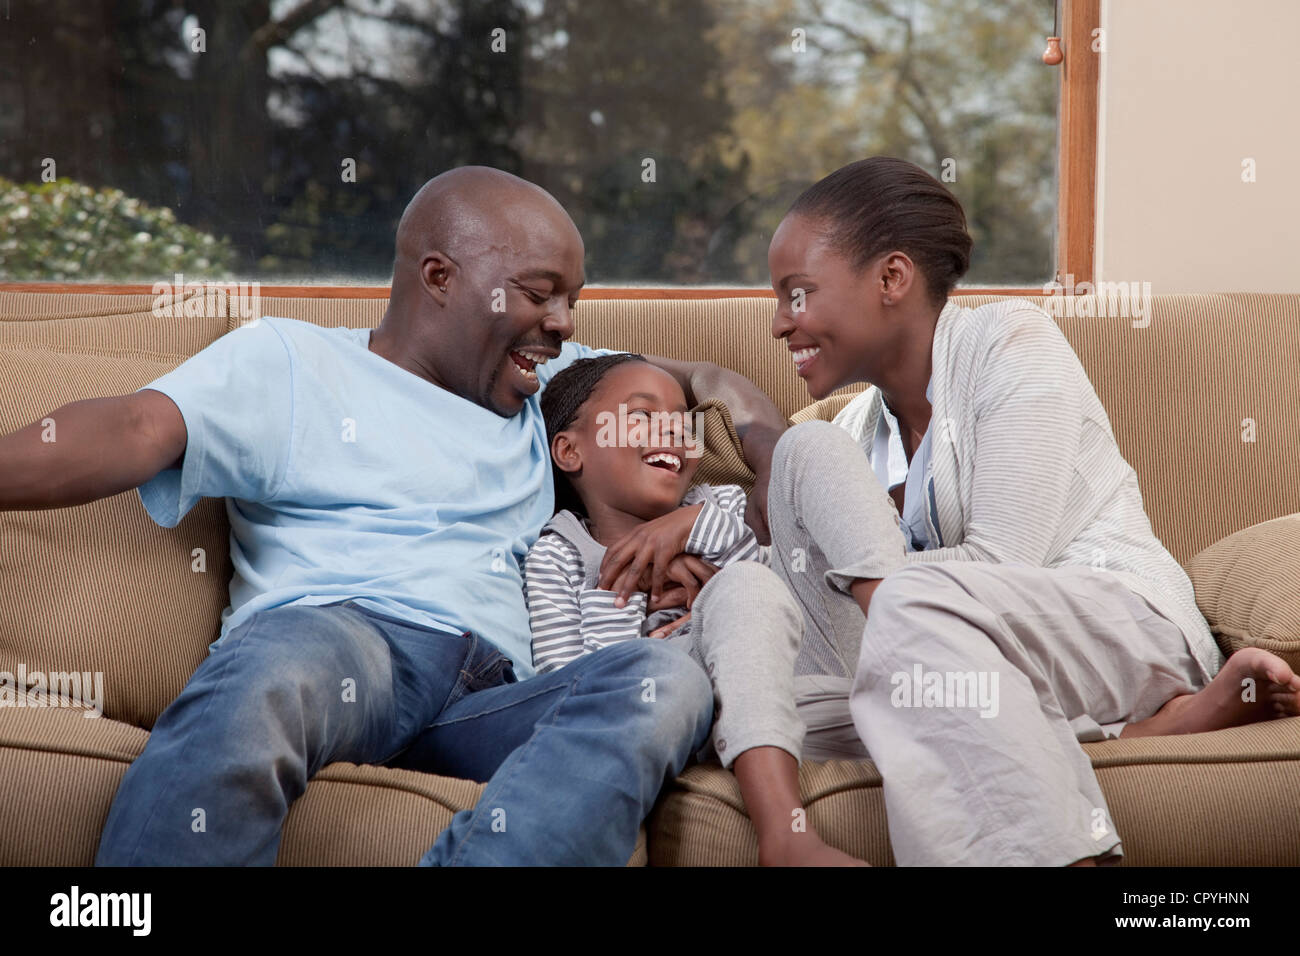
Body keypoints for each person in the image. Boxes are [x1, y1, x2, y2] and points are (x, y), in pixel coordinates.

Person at [0, 166, 790, 866]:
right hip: (346, 645)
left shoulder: (547, 383)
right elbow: (134, 428)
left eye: (572, 301)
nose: (563, 323)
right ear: (440, 277)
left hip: (496, 690)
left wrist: (769, 466)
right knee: (273, 669)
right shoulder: (291, 361)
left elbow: (713, 377)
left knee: (667, 678)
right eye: (539, 291)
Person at [693, 156, 1300, 866]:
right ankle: (1146, 732)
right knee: (751, 695)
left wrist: (870, 572)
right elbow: (820, 599)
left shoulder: (1012, 343)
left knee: (906, 603)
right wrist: (710, 537)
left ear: (892, 279)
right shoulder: (856, 431)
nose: (778, 325)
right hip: (950, 661)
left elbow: (1001, 566)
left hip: (1112, 622)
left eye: (798, 295)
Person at [525, 352, 865, 865]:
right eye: (639, 416)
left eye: (683, 420)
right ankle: (786, 837)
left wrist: (693, 526)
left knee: (753, 586)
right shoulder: (560, 553)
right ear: (570, 451)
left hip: (788, 696)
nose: (671, 430)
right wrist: (625, 590)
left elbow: (788, 598)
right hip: (683, 721)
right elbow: (569, 688)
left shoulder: (725, 506)